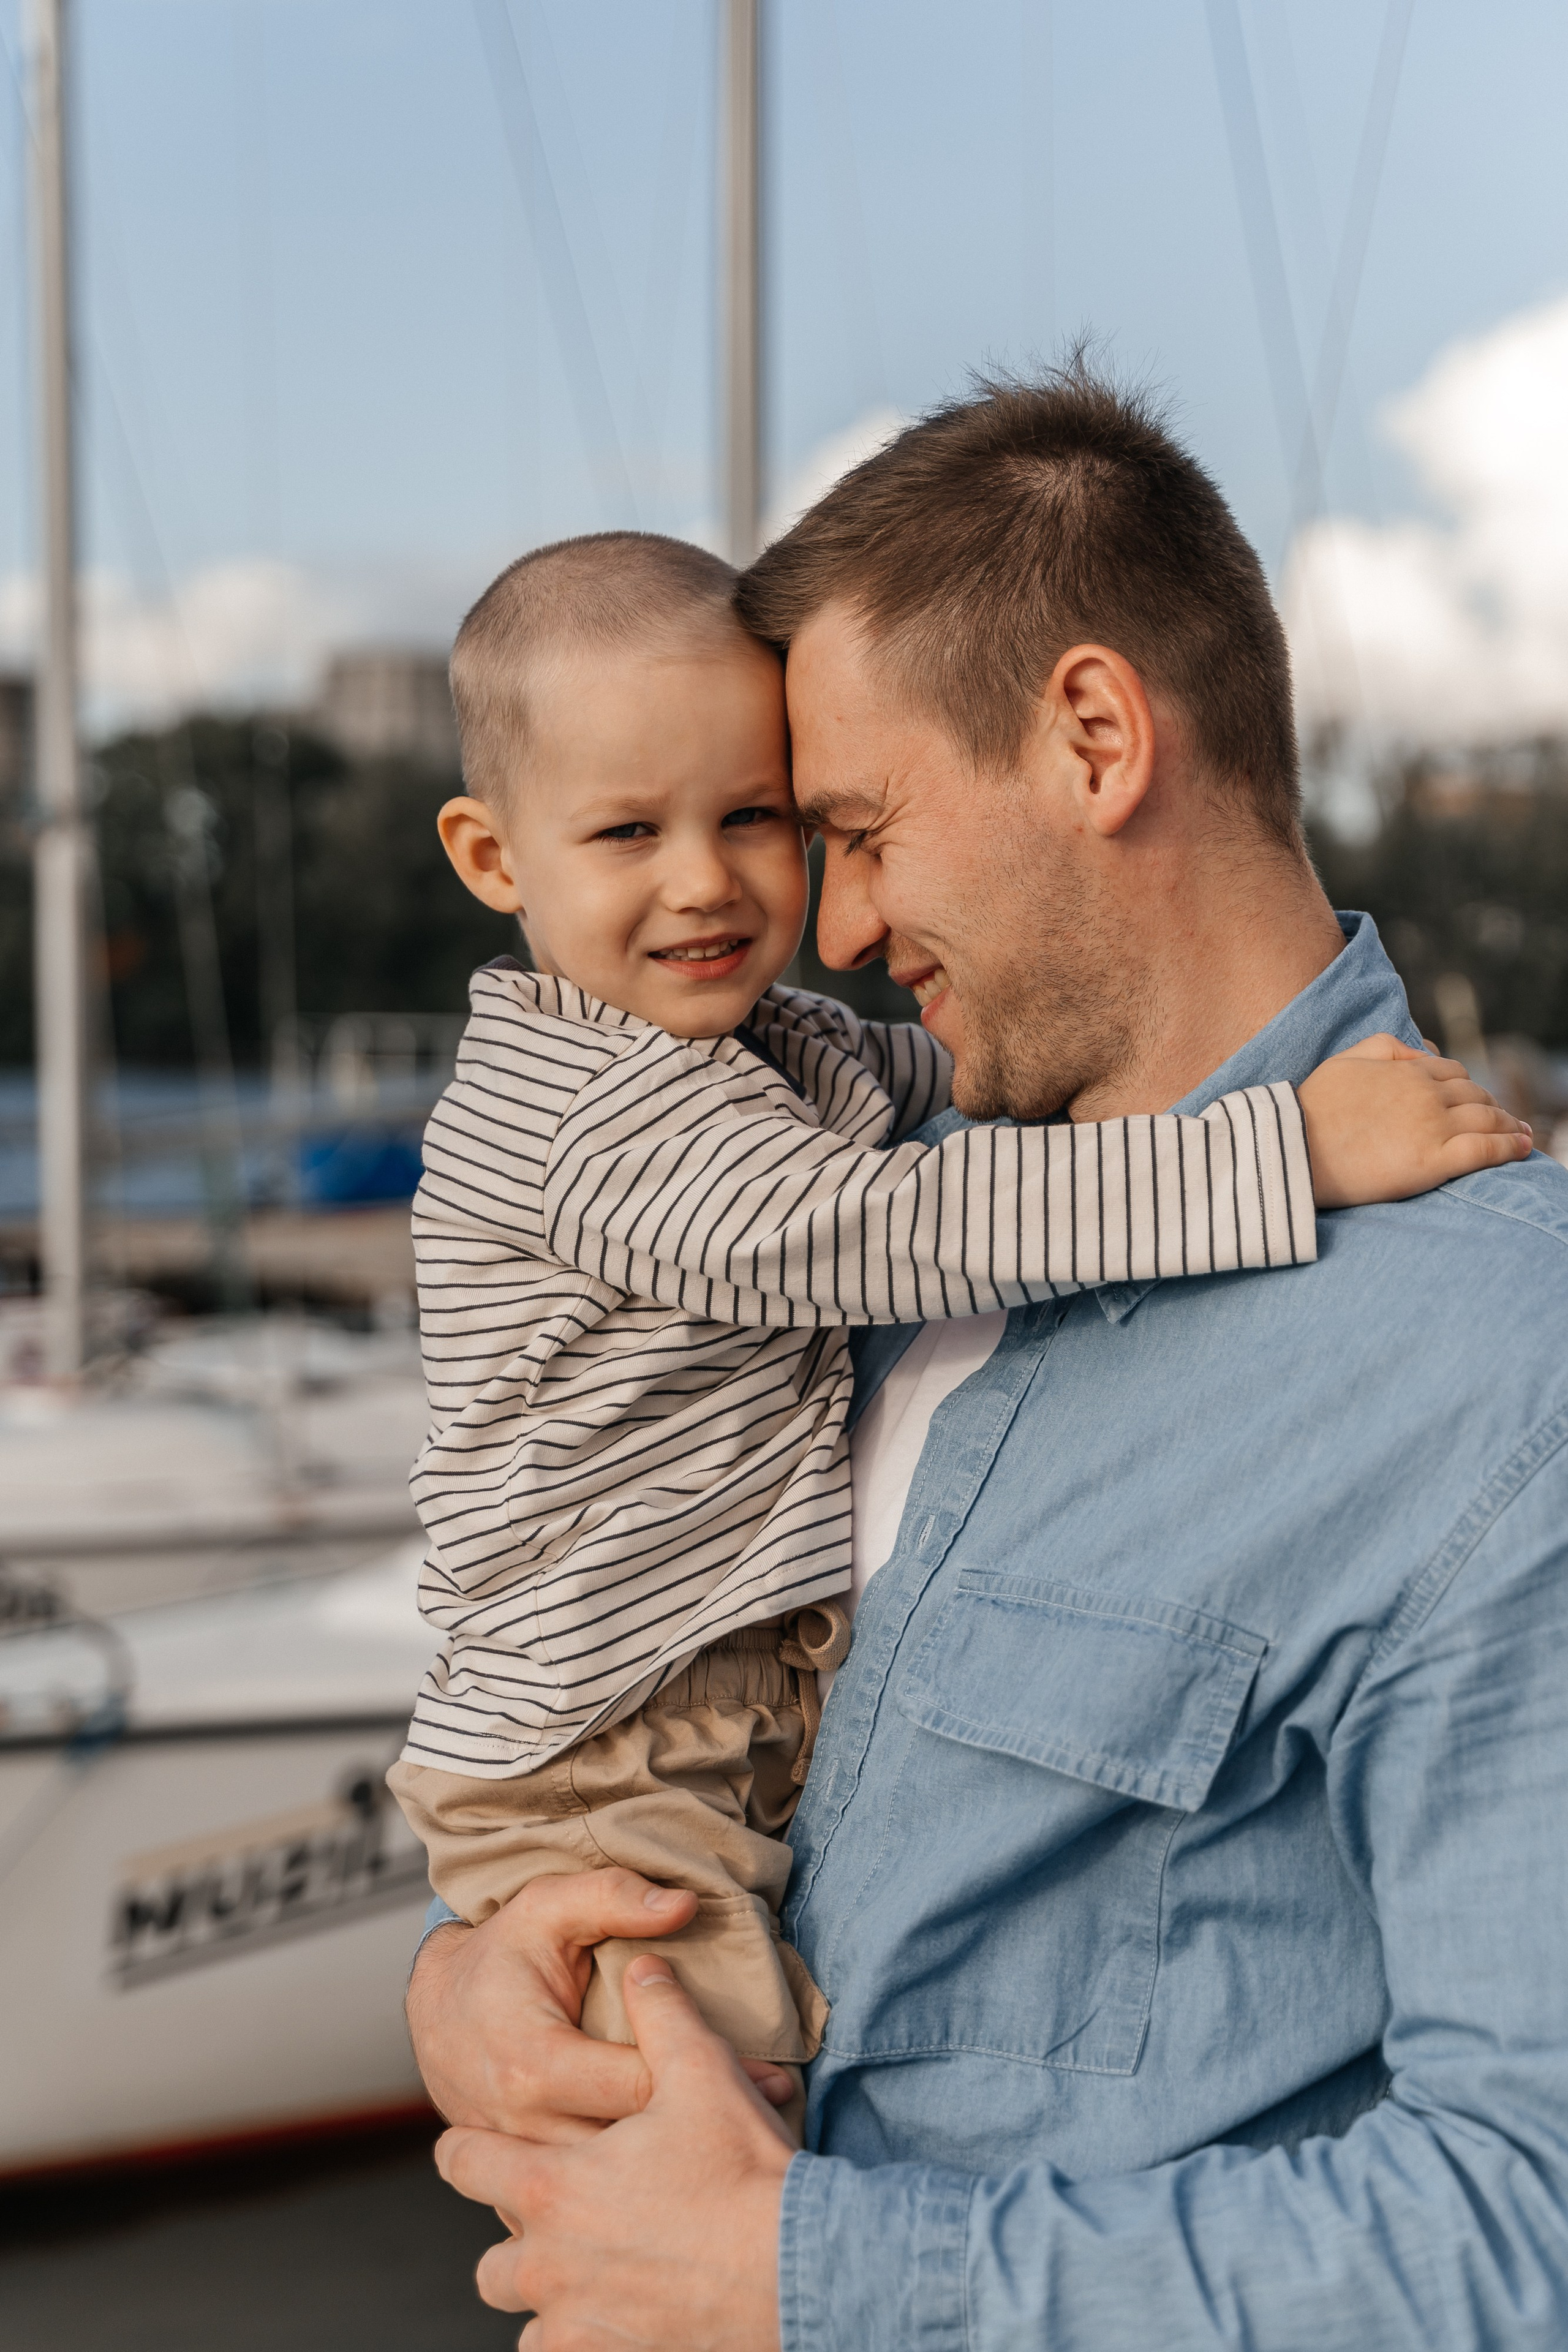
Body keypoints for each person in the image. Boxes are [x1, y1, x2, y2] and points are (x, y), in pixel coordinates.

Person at [409, 369, 1568, 2350]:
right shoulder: (880, 1209)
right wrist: (473, 1970)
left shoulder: (1494, 1363)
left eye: (838, 827)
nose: (821, 929)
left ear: (1099, 737)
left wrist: (807, 2277)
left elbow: (1526, 2230)